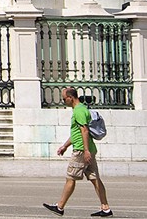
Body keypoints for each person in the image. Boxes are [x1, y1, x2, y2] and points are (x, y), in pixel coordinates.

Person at [44, 87, 113, 217]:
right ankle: (105, 208)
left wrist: (85, 150)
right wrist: (65, 146)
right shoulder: (81, 109)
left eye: (64, 99)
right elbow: (77, 133)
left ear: (70, 98)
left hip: (81, 150)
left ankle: (60, 207)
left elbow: (84, 131)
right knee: (95, 179)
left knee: (70, 178)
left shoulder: (79, 111)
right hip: (88, 149)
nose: (63, 101)